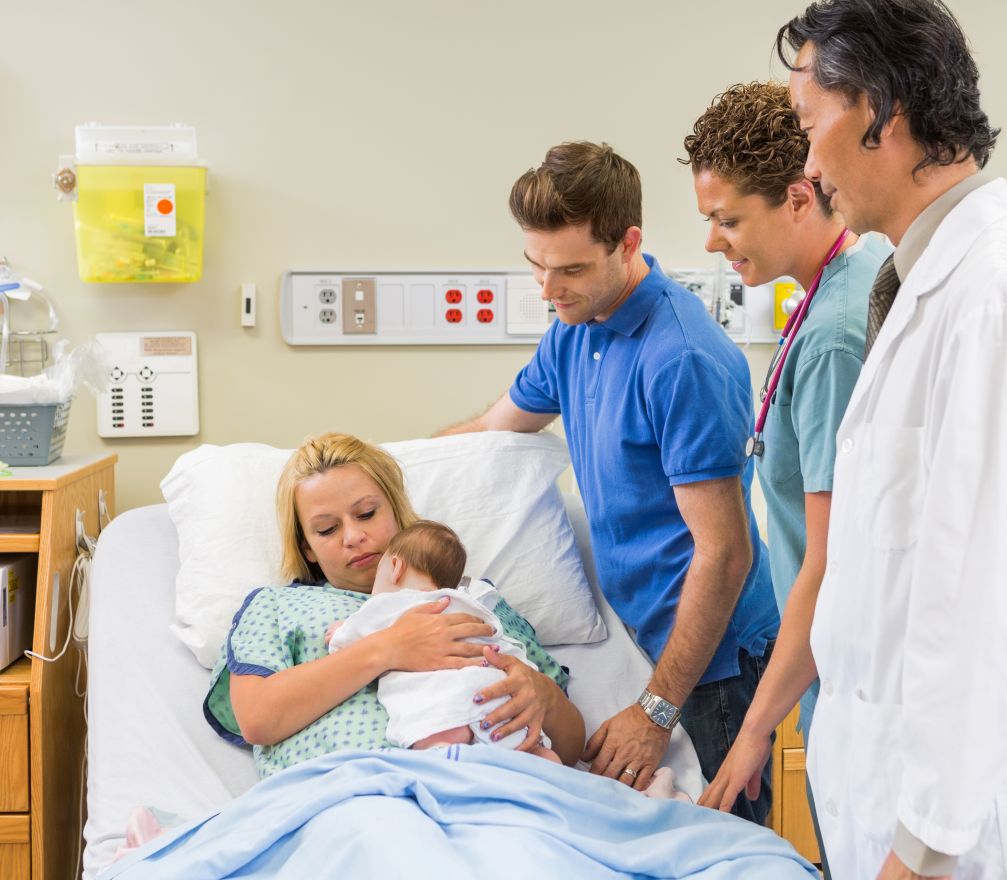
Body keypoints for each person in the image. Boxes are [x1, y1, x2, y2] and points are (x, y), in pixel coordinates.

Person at [778, 2, 1007, 879]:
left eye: (810, 128)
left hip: (965, 843)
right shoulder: (918, 284)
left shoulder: (999, 295)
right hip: (900, 818)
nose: (807, 163)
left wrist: (920, 849)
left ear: (880, 114)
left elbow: (991, 603)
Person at [438, 141, 779, 824]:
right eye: (536, 265)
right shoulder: (572, 328)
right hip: (638, 639)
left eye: (570, 269)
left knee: (726, 852)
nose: (548, 288)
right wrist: (377, 475)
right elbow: (495, 427)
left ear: (628, 244)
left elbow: (725, 552)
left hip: (716, 666)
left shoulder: (679, 357)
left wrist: (656, 709)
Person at [681, 81, 890, 873]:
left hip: (841, 666)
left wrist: (753, 733)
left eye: (727, 219)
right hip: (831, 661)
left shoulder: (835, 335)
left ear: (800, 198)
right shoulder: (848, 275)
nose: (712, 242)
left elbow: (827, 561)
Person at [203, 432, 585, 778]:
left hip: (500, 786)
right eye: (327, 529)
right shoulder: (276, 606)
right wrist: (388, 648)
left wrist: (538, 692)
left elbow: (569, 746)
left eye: (367, 513)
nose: (354, 536)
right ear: (307, 548)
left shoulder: (472, 599)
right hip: (352, 799)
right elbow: (258, 719)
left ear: (396, 510)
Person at [326, 519, 565, 762]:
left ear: (395, 567)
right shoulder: (471, 606)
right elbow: (510, 653)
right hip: (496, 701)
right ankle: (544, 757)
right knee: (532, 751)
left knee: (434, 742)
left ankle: (446, 756)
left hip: (443, 710)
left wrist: (339, 632)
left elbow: (346, 646)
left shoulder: (387, 605)